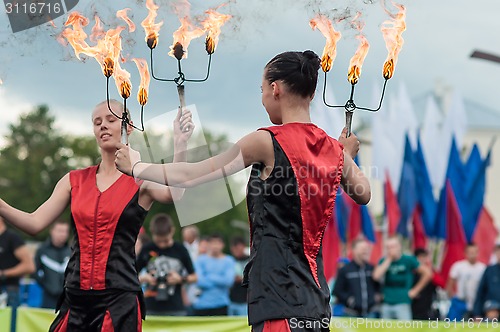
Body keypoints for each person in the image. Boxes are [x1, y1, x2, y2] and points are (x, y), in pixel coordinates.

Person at [115, 50, 370, 332]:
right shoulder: (334, 150)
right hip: (316, 301)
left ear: (275, 89)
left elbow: (191, 175)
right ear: (310, 93)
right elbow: (364, 192)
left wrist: (137, 166)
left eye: (261, 89)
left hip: (277, 298)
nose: (262, 99)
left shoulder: (265, 141)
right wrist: (346, 154)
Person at [0, 99, 194, 332]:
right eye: (97, 122)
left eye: (111, 120)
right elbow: (35, 223)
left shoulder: (140, 179)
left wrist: (180, 143)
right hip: (75, 300)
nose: (103, 126)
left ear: (128, 126)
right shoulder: (74, 180)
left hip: (118, 302)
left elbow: (176, 192)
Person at [136, 213, 197, 316]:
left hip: (176, 308)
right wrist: (144, 278)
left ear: (172, 231)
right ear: (152, 232)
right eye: (159, 241)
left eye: (165, 240)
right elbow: (131, 274)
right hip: (150, 307)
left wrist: (180, 279)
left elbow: (194, 277)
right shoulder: (146, 249)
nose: (162, 245)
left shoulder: (180, 249)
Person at [373, 236, 432, 320]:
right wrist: (389, 259)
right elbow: (376, 276)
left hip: (403, 302)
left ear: (399, 247)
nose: (391, 249)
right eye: (388, 247)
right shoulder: (383, 261)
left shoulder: (408, 260)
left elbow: (427, 273)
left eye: (393, 246)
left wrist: (415, 291)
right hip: (386, 302)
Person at [0, 216, 35, 332]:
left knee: (9, 328)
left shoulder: (11, 238)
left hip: (9, 292)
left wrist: (4, 273)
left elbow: (29, 266)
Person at [333, 239, 380, 318]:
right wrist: (350, 300)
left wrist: (376, 298)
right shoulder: (345, 270)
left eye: (367, 249)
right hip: (351, 314)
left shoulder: (372, 269)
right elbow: (337, 291)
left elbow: (378, 287)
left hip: (370, 314)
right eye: (362, 249)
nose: (366, 251)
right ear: (354, 250)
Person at [192, 233, 235, 316]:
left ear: (223, 245)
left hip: (221, 304)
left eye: (218, 243)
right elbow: (199, 281)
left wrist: (209, 276)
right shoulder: (200, 260)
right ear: (208, 244)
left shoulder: (229, 260)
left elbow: (228, 281)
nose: (215, 246)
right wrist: (220, 279)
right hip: (201, 305)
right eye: (212, 243)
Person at [34, 219, 71, 309]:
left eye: (65, 231)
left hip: (68, 298)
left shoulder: (72, 251)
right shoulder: (42, 250)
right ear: (52, 231)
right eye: (60, 231)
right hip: (48, 297)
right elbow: (34, 271)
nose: (63, 234)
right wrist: (47, 285)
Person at [446, 243, 486, 320]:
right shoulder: (458, 266)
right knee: (453, 324)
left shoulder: (482, 268)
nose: (473, 255)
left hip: (476, 302)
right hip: (460, 301)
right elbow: (450, 283)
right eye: (470, 253)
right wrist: (452, 297)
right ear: (465, 253)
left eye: (475, 252)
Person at [411, 248, 445, 320]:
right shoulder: (411, 272)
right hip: (413, 306)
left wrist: (429, 270)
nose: (422, 260)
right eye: (420, 257)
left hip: (428, 307)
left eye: (424, 257)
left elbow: (441, 284)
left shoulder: (431, 272)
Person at [473, 244, 500, 320]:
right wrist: (477, 313)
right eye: (498, 252)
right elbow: (480, 293)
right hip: (491, 312)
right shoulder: (489, 270)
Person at [228, 236, 249, 316]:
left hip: (245, 300)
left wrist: (242, 279)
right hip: (231, 299)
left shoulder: (250, 261)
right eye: (235, 248)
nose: (237, 250)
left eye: (238, 247)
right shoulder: (229, 261)